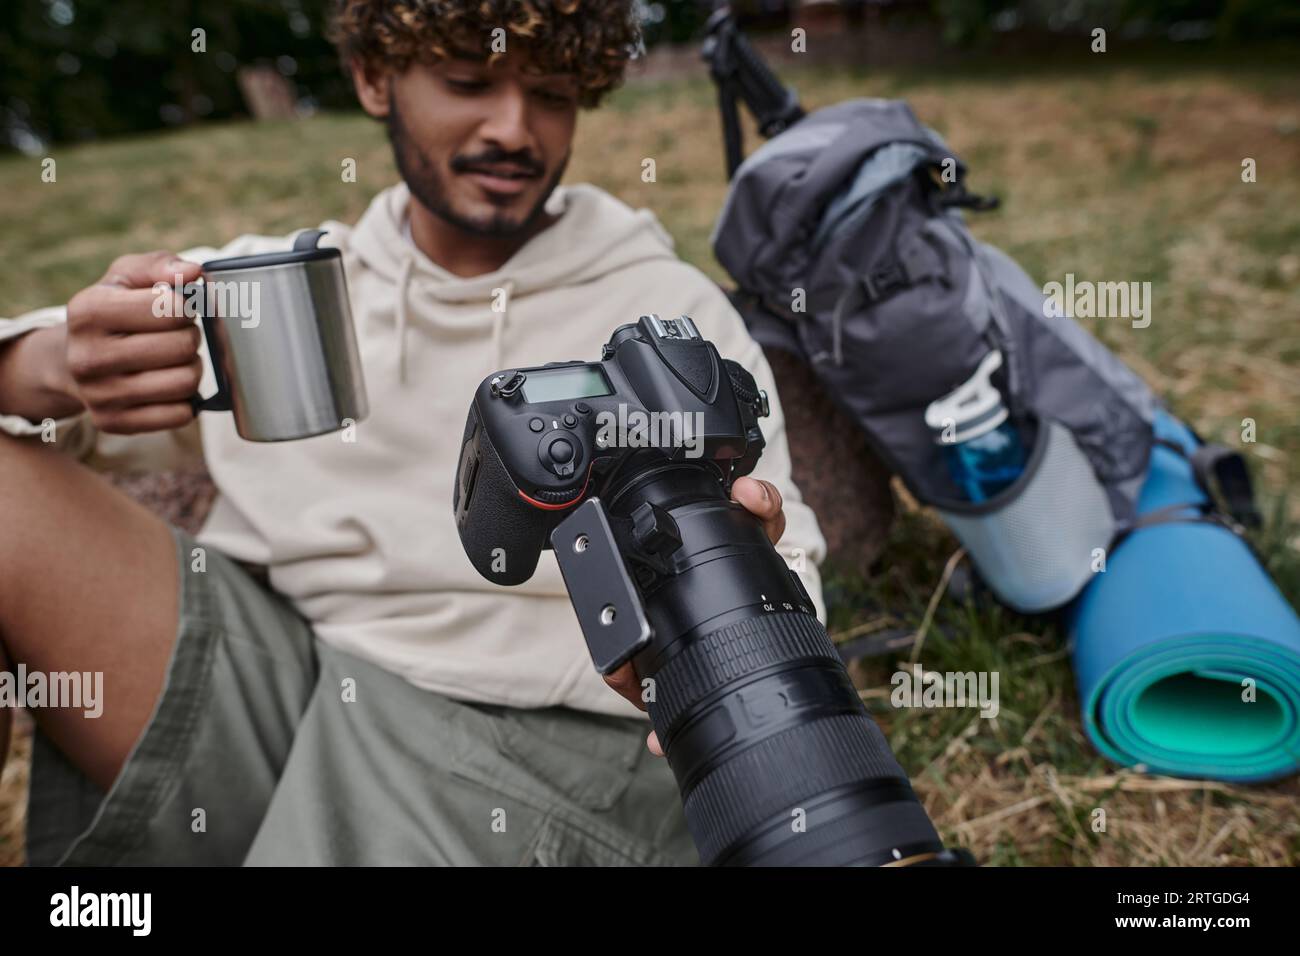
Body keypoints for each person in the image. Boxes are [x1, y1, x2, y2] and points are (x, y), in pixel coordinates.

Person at [0, 0, 826, 865]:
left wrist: (727, 596)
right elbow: (56, 383)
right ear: (372, 77)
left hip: (530, 740)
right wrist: (53, 362)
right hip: (295, 687)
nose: (513, 129)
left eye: (550, 93)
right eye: (468, 81)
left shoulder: (666, 317)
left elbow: (788, 559)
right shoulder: (287, 295)